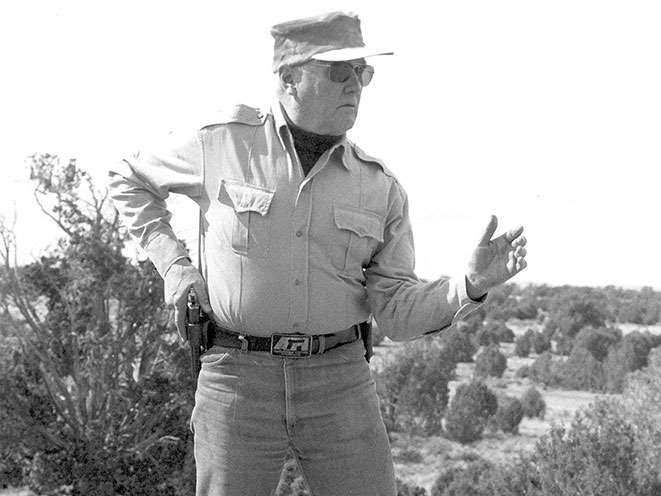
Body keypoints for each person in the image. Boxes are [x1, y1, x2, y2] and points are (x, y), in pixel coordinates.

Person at [108, 11, 527, 496]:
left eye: (362, 73)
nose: (355, 84)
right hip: (237, 379)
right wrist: (174, 264)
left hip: (340, 383)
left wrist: (469, 285)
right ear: (289, 77)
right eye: (339, 71)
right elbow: (129, 178)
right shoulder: (219, 144)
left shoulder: (380, 188)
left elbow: (395, 311)